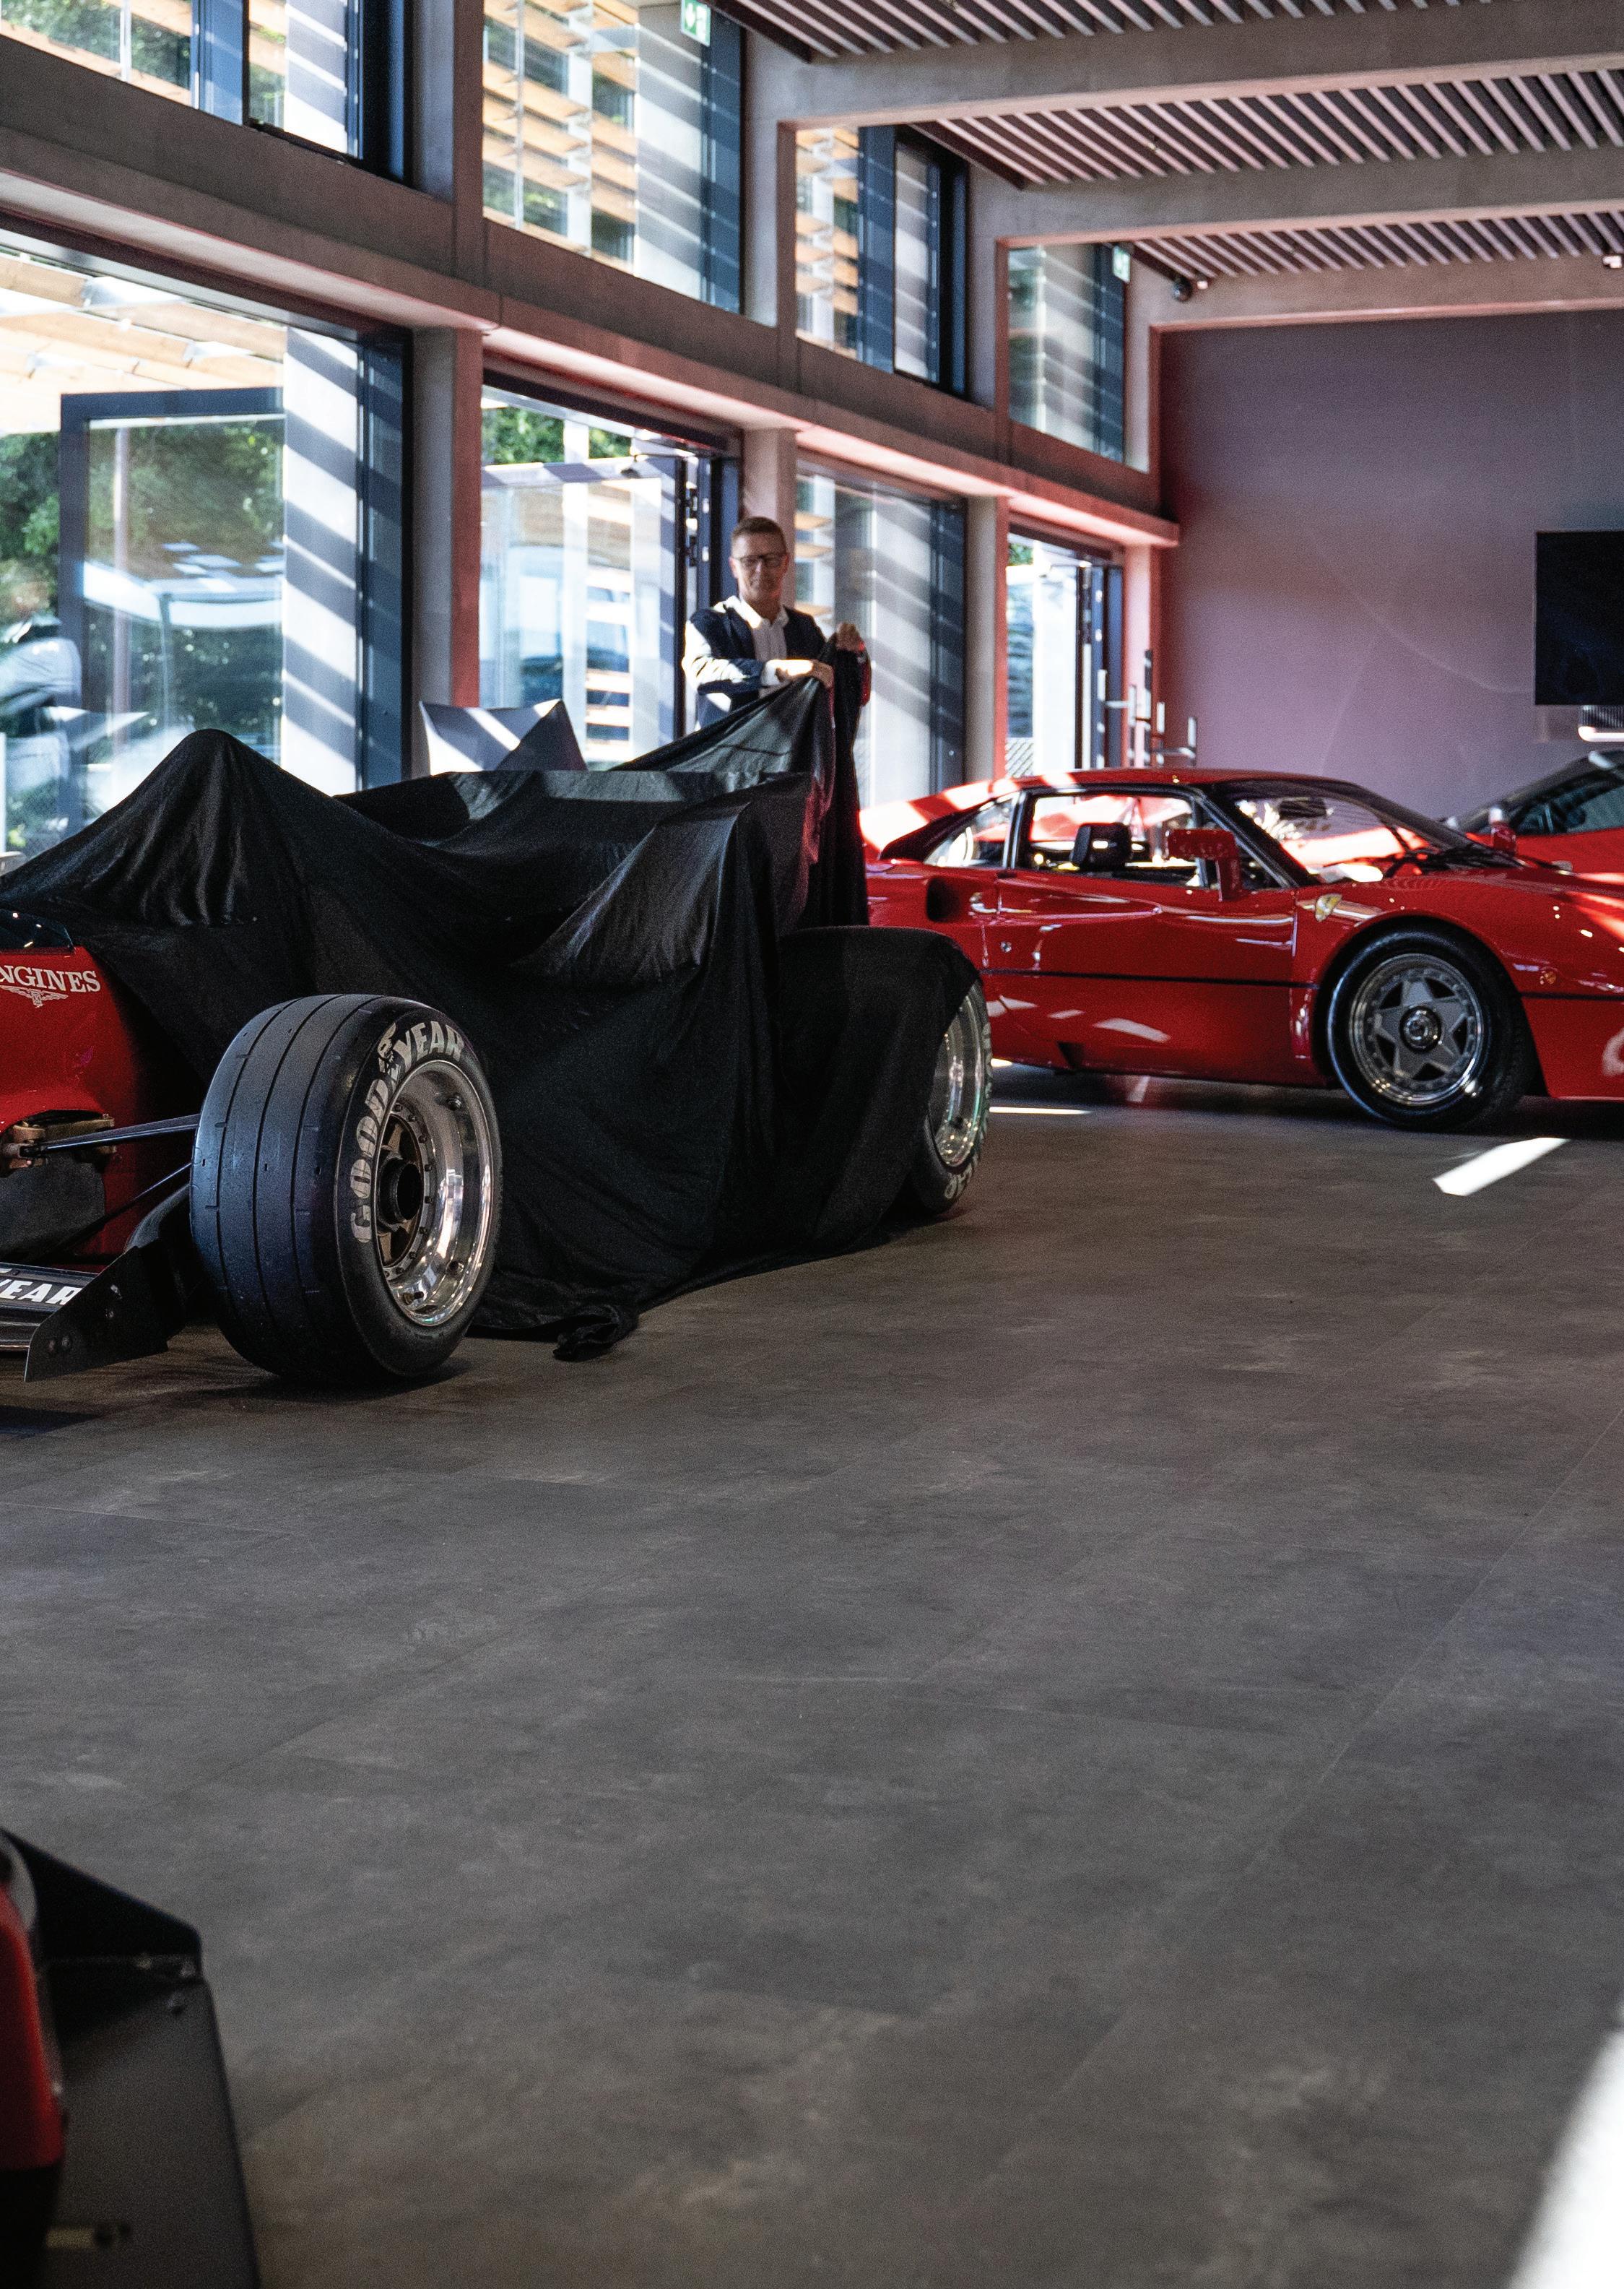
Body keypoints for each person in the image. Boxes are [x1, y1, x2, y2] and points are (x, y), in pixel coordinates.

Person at [683, 515, 869, 727]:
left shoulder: (804, 627)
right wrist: (779, 670)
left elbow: (845, 693)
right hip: (732, 748)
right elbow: (701, 672)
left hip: (792, 749)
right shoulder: (710, 622)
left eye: (771, 559)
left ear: (786, 563)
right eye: (749, 561)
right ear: (734, 567)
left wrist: (857, 654)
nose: (761, 570)